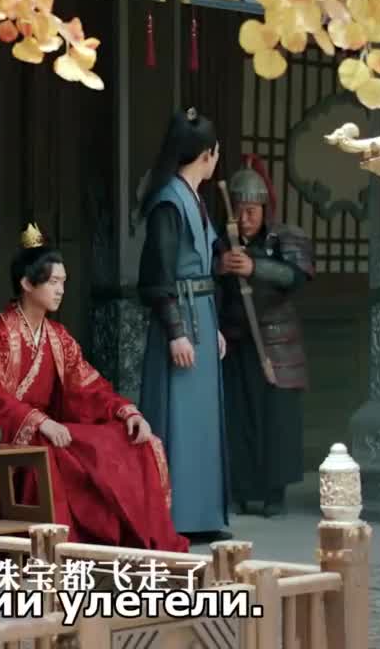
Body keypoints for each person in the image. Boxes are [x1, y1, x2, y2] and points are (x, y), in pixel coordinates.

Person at [0, 223, 189, 553]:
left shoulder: (59, 337)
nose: (60, 290)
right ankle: (66, 546)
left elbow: (88, 386)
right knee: (57, 449)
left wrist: (126, 411)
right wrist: (39, 422)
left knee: (125, 442)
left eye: (63, 282)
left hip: (49, 431)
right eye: (53, 282)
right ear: (26, 283)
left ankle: (128, 540)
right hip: (8, 435)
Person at [136, 108, 231, 544]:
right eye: (216, 152)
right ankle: (174, 516)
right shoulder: (169, 202)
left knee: (202, 421)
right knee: (177, 418)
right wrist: (176, 331)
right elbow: (159, 274)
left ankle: (202, 513)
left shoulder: (194, 198)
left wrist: (212, 327)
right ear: (207, 154)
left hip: (202, 314)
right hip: (180, 319)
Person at [214, 156, 313, 517]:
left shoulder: (284, 237)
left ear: (264, 209)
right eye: (240, 210)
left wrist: (255, 267)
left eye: (252, 211)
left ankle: (274, 493)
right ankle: (241, 490)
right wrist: (220, 267)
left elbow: (296, 276)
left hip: (276, 344)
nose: (245, 218)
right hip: (236, 343)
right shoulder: (222, 242)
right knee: (239, 419)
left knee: (276, 421)